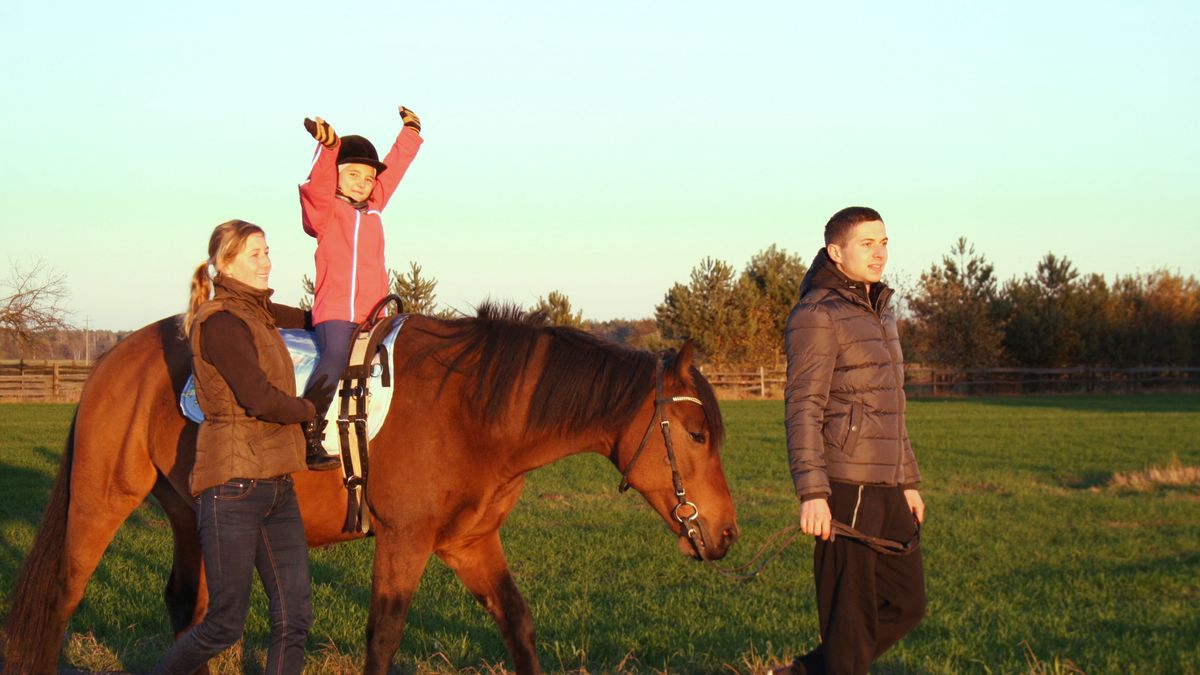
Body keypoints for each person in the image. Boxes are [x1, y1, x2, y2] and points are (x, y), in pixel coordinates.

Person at [154, 220, 323, 674]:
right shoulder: (221, 323)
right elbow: (258, 397)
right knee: (225, 624)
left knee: (295, 617)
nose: (267, 261)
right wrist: (310, 409)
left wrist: (350, 313)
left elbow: (312, 319)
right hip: (232, 488)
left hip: (276, 487)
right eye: (255, 254)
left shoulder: (257, 313)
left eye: (268, 251)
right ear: (225, 264)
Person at [772, 207, 926, 675]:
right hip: (845, 484)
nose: (879, 252)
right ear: (836, 252)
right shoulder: (817, 313)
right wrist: (813, 494)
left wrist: (908, 480)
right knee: (850, 620)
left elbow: (890, 405)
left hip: (887, 484)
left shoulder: (880, 309)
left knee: (907, 604)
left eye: (883, 242)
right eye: (867, 244)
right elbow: (803, 406)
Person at [298, 107, 423, 469]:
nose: (361, 183)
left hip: (375, 315)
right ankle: (308, 430)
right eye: (352, 174)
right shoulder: (325, 212)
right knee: (335, 358)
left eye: (368, 178)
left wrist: (410, 133)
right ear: (336, 176)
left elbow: (394, 170)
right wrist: (329, 150)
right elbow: (315, 188)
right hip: (336, 315)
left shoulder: (374, 209)